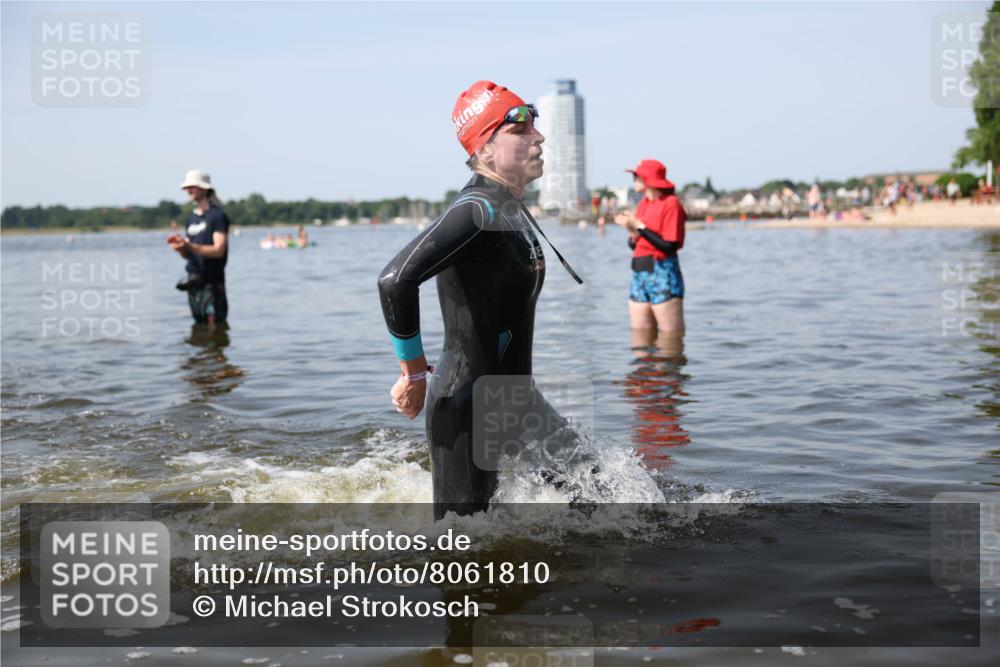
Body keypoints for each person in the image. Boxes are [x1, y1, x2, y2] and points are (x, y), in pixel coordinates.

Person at [377, 80, 583, 518]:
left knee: (600, 495)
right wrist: (413, 375)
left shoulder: (508, 207)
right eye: (520, 129)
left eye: (535, 126)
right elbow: (395, 279)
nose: (538, 137)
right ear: (485, 148)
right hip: (469, 406)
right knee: (462, 550)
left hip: (519, 399)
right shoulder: (478, 210)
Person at [613, 159, 687, 341]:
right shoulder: (644, 204)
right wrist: (632, 228)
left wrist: (638, 225)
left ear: (648, 178)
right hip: (639, 273)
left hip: (663, 272)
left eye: (636, 176)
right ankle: (643, 370)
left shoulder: (671, 204)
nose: (634, 179)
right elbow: (635, 245)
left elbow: (669, 246)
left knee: (670, 338)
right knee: (640, 336)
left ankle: (670, 369)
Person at [167, 170, 230, 326]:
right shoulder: (191, 219)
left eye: (193, 186)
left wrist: (189, 246)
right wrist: (181, 248)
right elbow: (188, 255)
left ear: (205, 189)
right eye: (187, 187)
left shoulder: (217, 216)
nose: (188, 190)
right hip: (193, 282)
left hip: (212, 283)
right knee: (198, 328)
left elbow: (218, 251)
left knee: (215, 329)